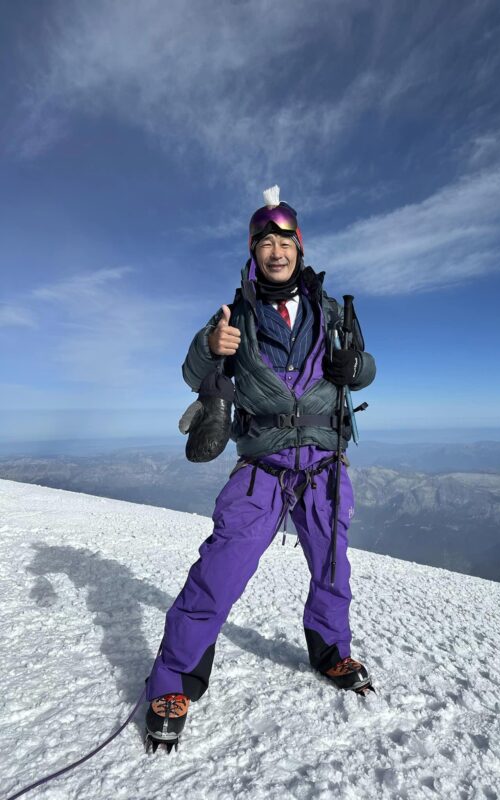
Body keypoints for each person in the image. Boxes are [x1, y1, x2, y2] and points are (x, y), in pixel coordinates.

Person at [145, 186, 376, 750]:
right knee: (219, 570)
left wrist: (356, 366)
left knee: (331, 568)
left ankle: (332, 653)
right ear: (254, 252)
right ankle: (172, 680)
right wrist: (209, 344)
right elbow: (192, 369)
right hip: (263, 465)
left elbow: (365, 369)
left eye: (285, 241)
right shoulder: (235, 314)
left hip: (324, 462)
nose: (276, 251)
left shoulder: (330, 310)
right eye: (265, 242)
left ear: (300, 247)